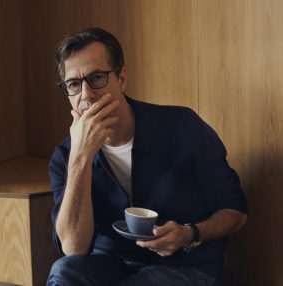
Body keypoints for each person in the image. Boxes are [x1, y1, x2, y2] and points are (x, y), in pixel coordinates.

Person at [47, 27, 248, 286]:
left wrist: (189, 234)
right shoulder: (66, 155)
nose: (86, 94)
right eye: (74, 84)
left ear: (122, 78)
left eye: (97, 77)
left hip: (185, 265)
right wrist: (81, 156)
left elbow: (236, 212)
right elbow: (73, 248)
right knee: (64, 271)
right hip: (110, 263)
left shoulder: (182, 126)